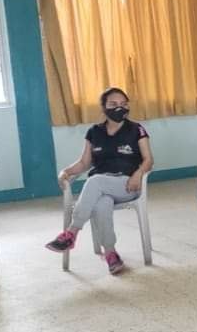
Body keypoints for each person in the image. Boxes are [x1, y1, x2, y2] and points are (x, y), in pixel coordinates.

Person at [45, 87, 153, 274]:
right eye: (113, 104)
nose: (119, 108)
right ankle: (111, 254)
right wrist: (65, 172)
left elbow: (148, 160)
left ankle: (72, 232)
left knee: (95, 182)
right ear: (103, 108)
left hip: (127, 184)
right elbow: (84, 163)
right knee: (102, 203)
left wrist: (138, 173)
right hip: (101, 187)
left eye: (123, 104)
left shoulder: (136, 129)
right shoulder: (94, 132)